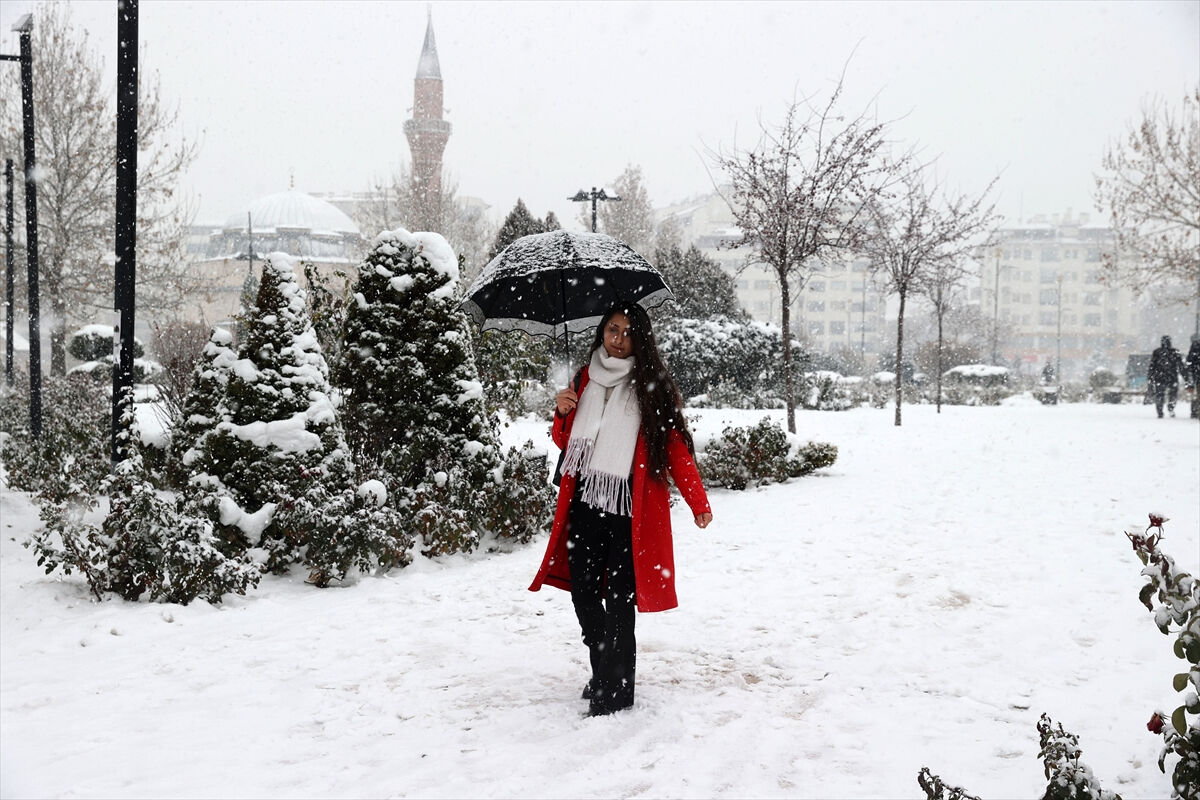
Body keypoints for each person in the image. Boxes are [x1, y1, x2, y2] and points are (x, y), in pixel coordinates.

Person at [529, 304, 712, 717]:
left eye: (627, 332)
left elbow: (675, 447)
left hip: (630, 513)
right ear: (602, 332)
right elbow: (567, 443)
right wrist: (561, 412)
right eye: (612, 329)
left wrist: (698, 500)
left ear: (639, 340)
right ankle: (602, 669)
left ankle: (617, 688)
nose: (617, 338)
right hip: (585, 506)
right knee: (584, 595)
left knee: (620, 602)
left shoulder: (652, 386)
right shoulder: (584, 378)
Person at [1147, 335, 1185, 418]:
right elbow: (1180, 365)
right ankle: (1171, 408)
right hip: (1172, 377)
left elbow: (1152, 366)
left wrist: (1150, 376)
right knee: (1173, 394)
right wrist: (1185, 376)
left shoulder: (1157, 352)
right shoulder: (1175, 352)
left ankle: (1160, 411)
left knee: (1160, 395)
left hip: (1159, 377)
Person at [1186, 333, 1200, 419]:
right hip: (1197, 376)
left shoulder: (1194, 348)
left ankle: (1195, 412)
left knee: (1198, 395)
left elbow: (1189, 364)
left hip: (1197, 377)